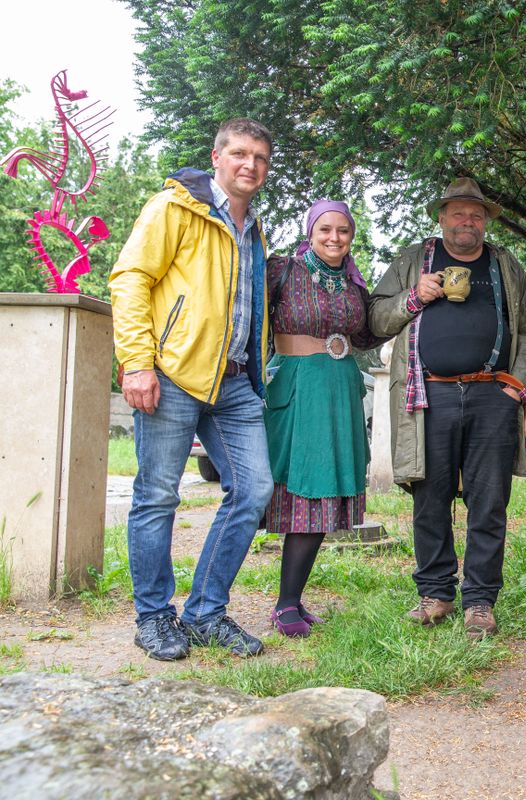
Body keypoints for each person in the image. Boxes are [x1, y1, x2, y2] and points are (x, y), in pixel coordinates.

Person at [109, 118, 275, 660]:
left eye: (260, 158)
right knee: (158, 496)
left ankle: (205, 612)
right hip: (174, 376)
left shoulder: (255, 230)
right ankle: (154, 617)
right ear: (217, 157)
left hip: (233, 382)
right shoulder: (174, 208)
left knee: (253, 491)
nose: (250, 165)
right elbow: (130, 278)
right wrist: (137, 363)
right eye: (240, 154)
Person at [368, 177, 526, 640]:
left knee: (489, 503)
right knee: (430, 497)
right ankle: (437, 593)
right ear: (441, 217)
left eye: (476, 214)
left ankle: (480, 601)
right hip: (428, 395)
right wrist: (414, 296)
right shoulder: (412, 260)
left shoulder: (504, 263)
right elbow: (376, 318)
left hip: (492, 395)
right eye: (458, 213)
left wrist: (516, 388)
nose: (468, 221)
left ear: (484, 221)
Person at [264, 200, 386, 637]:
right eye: (326, 230)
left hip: (339, 389)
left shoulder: (354, 284)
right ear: (311, 231)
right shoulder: (282, 271)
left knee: (319, 501)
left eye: (344, 232)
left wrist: (413, 300)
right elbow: (248, 316)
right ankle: (270, 604)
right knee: (297, 492)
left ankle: (291, 601)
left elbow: (370, 332)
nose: (335, 238)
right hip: (298, 389)